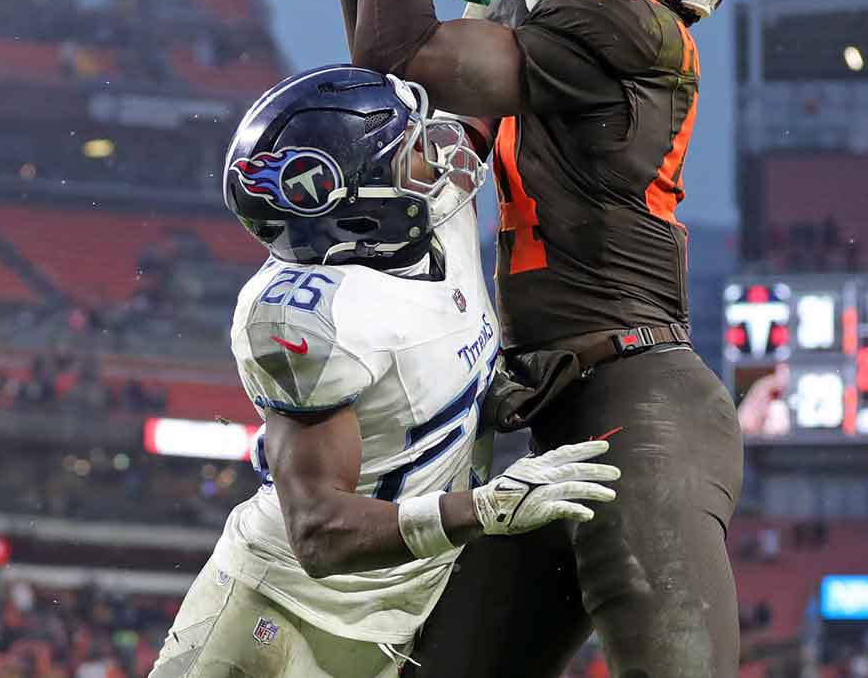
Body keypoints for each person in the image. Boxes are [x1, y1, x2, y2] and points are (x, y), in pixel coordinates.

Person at [334, 0, 751, 675]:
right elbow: (393, 85)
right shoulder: (576, 58)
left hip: (639, 416)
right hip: (565, 420)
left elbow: (398, 49)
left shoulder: (631, 28)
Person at [147, 64, 619, 678]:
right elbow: (319, 533)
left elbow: (463, 72)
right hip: (279, 616)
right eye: (411, 152)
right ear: (359, 206)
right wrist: (483, 508)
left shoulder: (433, 215)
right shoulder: (309, 318)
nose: (438, 150)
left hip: (397, 616)